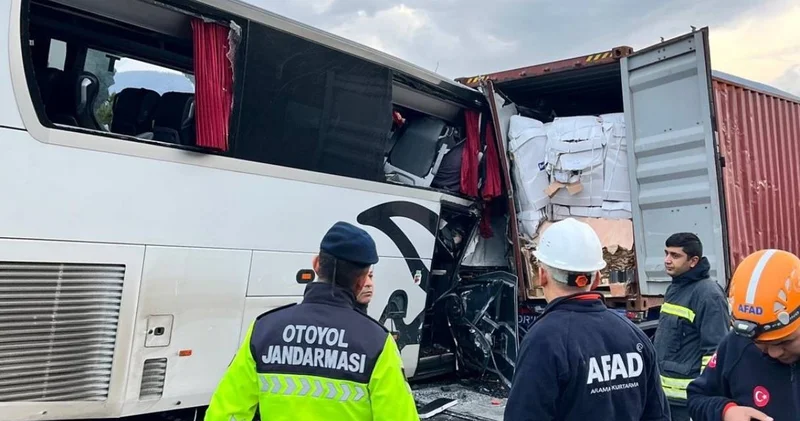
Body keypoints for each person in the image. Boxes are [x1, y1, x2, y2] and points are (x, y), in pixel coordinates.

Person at [204, 221, 419, 421]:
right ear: (362, 280)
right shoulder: (377, 343)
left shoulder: (264, 330)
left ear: (316, 264)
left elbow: (223, 414)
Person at [504, 218, 671, 421]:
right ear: (598, 279)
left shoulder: (544, 340)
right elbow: (658, 415)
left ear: (542, 276)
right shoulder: (634, 334)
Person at [687, 248, 800, 421]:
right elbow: (698, 398)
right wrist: (726, 412)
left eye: (783, 341)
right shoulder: (736, 344)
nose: (773, 353)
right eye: (759, 342)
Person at [653, 233, 730, 420]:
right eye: (666, 253)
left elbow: (715, 351)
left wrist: (704, 397)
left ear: (693, 261)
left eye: (675, 255)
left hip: (687, 402)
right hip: (665, 399)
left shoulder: (708, 294)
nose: (667, 260)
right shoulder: (675, 289)